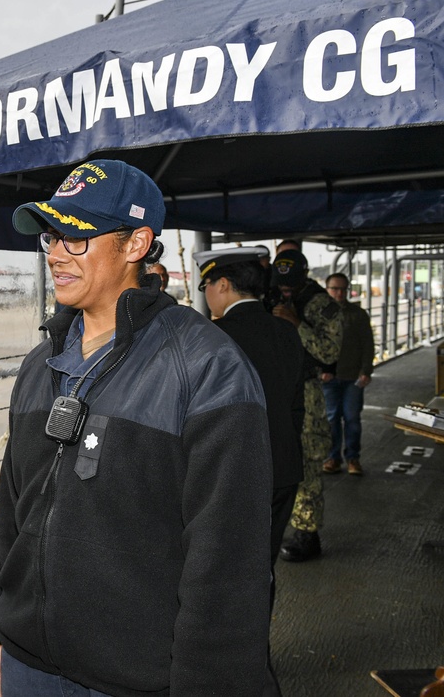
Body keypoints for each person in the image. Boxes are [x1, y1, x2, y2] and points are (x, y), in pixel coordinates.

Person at [0, 160, 273, 696]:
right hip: (29, 665)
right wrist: (1, 631)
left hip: (138, 679)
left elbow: (228, 561)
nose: (55, 252)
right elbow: (13, 512)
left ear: (137, 243)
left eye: (77, 236)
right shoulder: (37, 366)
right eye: (51, 234)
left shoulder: (207, 368)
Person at [194, 247, 306, 696]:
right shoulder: (285, 332)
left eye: (208, 287)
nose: (207, 296)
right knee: (263, 569)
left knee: (225, 574)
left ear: (222, 285)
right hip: (283, 468)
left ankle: (239, 672)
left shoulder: (214, 337)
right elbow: (295, 406)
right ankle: (257, 658)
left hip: (236, 476)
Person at [271, 249, 343, 563]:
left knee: (310, 462)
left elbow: (329, 352)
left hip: (307, 392)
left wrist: (296, 323)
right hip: (278, 389)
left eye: (291, 286)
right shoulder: (270, 295)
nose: (285, 291)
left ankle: (307, 533)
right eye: (281, 285)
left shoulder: (321, 304)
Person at [322, 273, 375, 476]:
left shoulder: (358, 314)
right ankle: (333, 458)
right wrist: (320, 371)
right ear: (327, 289)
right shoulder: (321, 314)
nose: (339, 293)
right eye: (335, 288)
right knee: (331, 419)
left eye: (343, 289)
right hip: (329, 378)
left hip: (353, 376)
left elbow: (367, 344)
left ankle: (353, 458)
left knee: (352, 418)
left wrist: (366, 371)